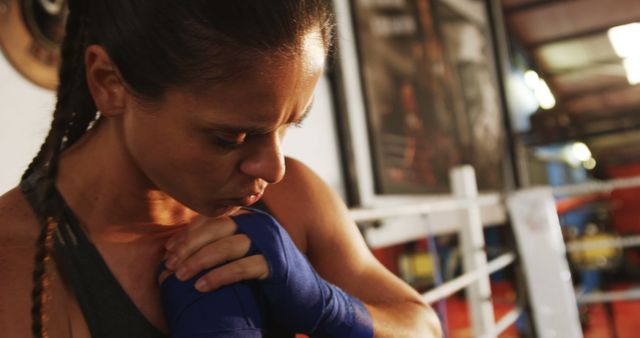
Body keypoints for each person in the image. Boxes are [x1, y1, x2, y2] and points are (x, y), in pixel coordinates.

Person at [0, 1, 442, 337]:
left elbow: (424, 325)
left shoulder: (293, 199)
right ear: (109, 83)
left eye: (290, 125)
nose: (274, 168)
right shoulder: (20, 269)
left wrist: (329, 306)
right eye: (230, 137)